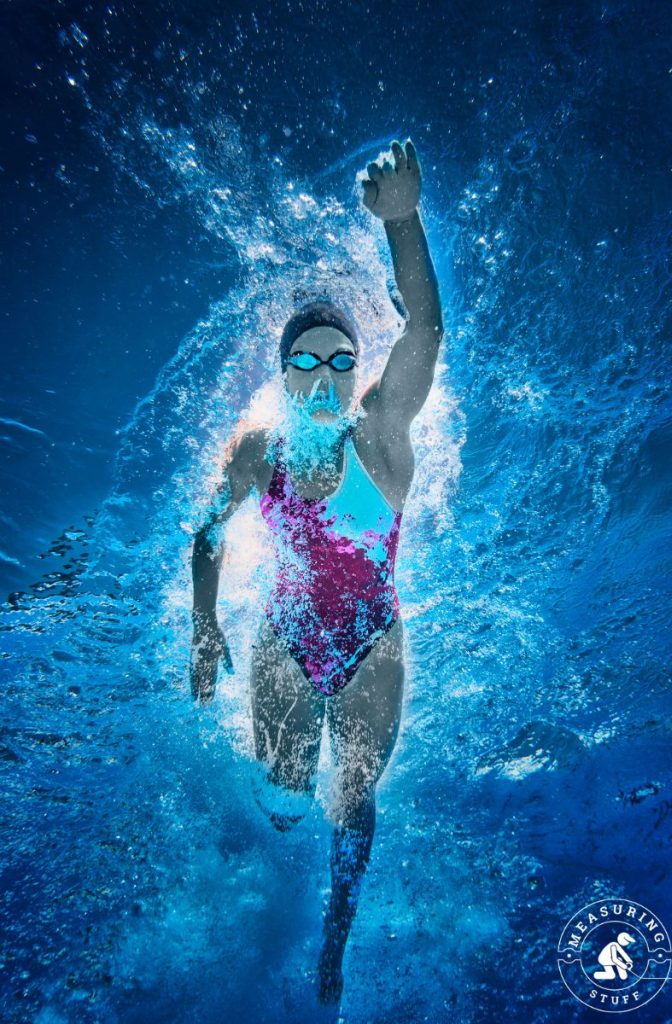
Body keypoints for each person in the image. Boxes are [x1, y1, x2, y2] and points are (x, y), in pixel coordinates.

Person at [190, 138, 443, 1005]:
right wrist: (203, 624)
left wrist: (402, 221)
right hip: (286, 638)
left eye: (341, 357)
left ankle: (334, 939)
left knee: (353, 795)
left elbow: (424, 330)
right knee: (285, 791)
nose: (326, 372)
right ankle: (264, 872)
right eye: (306, 358)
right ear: (283, 370)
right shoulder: (257, 451)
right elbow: (206, 533)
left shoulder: (380, 434)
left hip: (374, 638)